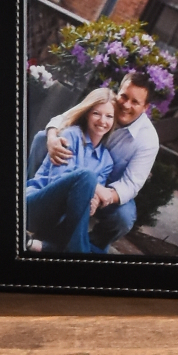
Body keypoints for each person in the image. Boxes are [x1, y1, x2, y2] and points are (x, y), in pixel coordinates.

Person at [34, 69, 160, 253]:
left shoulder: (148, 140)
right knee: (41, 139)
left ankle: (91, 246)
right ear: (118, 93)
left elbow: (131, 184)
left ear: (146, 107)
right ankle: (35, 202)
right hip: (73, 169)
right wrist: (52, 138)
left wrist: (101, 194)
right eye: (124, 96)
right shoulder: (105, 106)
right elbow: (63, 119)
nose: (126, 105)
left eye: (135, 102)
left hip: (108, 188)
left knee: (124, 217)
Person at [23, 87, 120, 254]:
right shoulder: (70, 136)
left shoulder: (107, 161)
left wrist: (93, 202)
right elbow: (58, 179)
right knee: (88, 177)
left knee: (98, 249)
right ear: (87, 113)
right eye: (97, 113)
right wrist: (94, 187)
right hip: (35, 207)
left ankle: (39, 246)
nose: (103, 120)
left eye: (109, 116)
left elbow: (92, 200)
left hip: (61, 221)